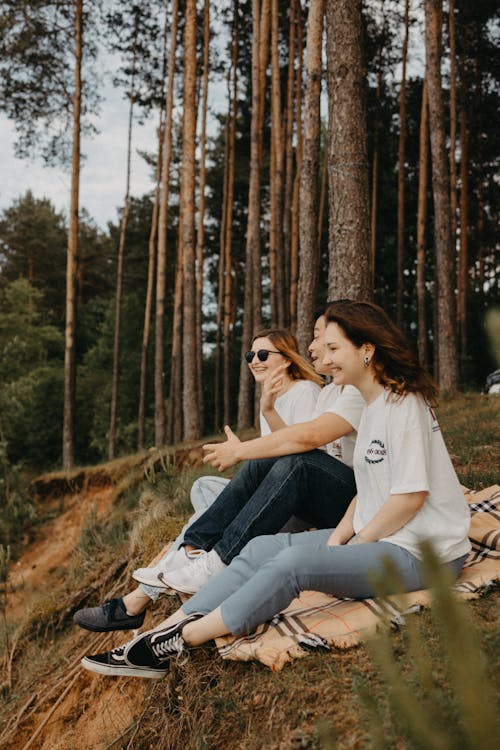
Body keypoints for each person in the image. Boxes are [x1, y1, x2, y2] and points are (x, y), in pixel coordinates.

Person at [81, 300, 471, 679]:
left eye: (334, 347)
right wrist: (335, 542)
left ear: (366, 351)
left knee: (292, 566)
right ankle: (163, 626)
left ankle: (173, 643)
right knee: (261, 548)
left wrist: (357, 545)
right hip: (387, 540)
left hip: (424, 554)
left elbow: (409, 497)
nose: (324, 356)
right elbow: (365, 492)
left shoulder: (404, 405)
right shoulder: (373, 409)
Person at [74, 322, 362, 631]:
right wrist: (267, 410)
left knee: (226, 501)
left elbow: (301, 449)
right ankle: (187, 554)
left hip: (323, 499)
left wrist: (244, 449)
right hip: (300, 490)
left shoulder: (307, 391)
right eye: (251, 354)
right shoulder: (323, 392)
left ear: (287, 358)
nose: (254, 360)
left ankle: (167, 582)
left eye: (263, 354)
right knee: (204, 490)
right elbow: (289, 451)